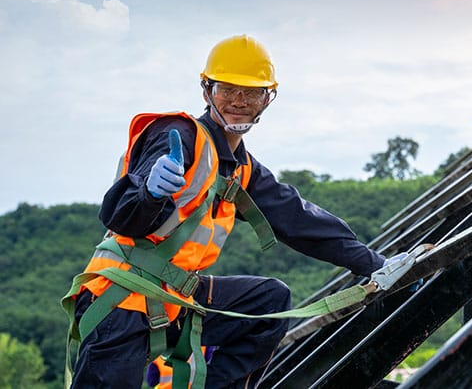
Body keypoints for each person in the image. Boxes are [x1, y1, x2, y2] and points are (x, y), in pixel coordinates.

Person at [66, 35, 395, 388]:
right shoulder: (177, 135)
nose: (239, 101)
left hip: (171, 299)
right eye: (228, 89)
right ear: (207, 91)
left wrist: (376, 265)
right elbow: (120, 216)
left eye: (251, 92)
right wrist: (149, 192)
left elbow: (300, 221)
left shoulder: (240, 168)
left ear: (267, 98)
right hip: (120, 303)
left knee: (268, 302)